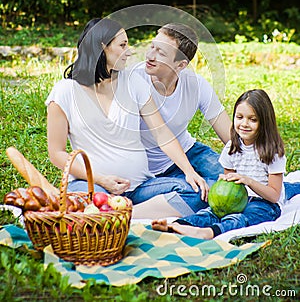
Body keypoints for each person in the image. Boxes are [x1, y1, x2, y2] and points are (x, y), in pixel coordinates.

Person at [46, 18, 209, 219]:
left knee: (197, 193)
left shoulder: (134, 82)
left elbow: (161, 133)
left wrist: (189, 171)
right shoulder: (65, 91)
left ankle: (121, 215)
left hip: (140, 187)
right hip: (92, 185)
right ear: (102, 47)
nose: (130, 51)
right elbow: (56, 153)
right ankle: (114, 214)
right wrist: (102, 180)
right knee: (83, 207)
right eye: (123, 45)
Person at [133, 23, 299, 204]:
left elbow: (227, 131)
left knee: (236, 182)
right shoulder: (135, 80)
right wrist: (189, 172)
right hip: (150, 167)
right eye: (152, 47)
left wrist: (255, 160)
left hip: (189, 151)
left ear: (181, 65)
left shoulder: (196, 84)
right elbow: (160, 135)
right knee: (207, 192)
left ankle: (286, 188)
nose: (150, 56)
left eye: (162, 53)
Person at [152, 89, 287, 238]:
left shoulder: (273, 153)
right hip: (237, 201)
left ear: (265, 122)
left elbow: (274, 195)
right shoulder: (231, 148)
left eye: (252, 119)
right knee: (209, 212)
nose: (244, 124)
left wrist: (248, 181)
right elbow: (227, 182)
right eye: (239, 117)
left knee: (241, 218)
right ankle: (179, 225)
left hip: (265, 204)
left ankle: (209, 232)